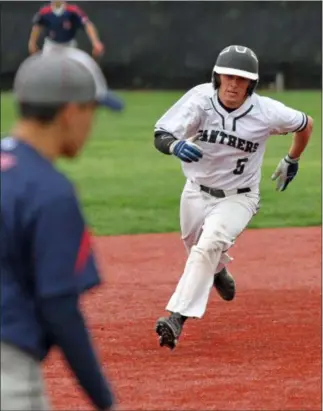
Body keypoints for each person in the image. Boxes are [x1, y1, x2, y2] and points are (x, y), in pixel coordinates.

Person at [153, 44, 313, 350]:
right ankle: (218, 270)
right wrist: (174, 146)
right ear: (217, 77)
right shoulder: (200, 99)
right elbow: (161, 134)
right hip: (196, 192)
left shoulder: (266, 111)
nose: (234, 84)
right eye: (228, 77)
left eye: (242, 79)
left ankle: (176, 318)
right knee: (193, 243)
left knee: (209, 243)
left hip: (239, 197)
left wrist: (292, 159)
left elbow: (305, 124)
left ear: (251, 84)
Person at [1, 48, 123, 410]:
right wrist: (104, 400)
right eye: (92, 112)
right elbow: (59, 308)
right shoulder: (49, 190)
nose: (92, 125)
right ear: (71, 112)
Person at [28, 1, 104, 57]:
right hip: (51, 45)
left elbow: (88, 25)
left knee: (71, 71)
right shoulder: (44, 11)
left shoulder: (73, 11)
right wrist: (32, 43)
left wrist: (95, 42)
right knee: (47, 69)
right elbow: (37, 27)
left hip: (69, 45)